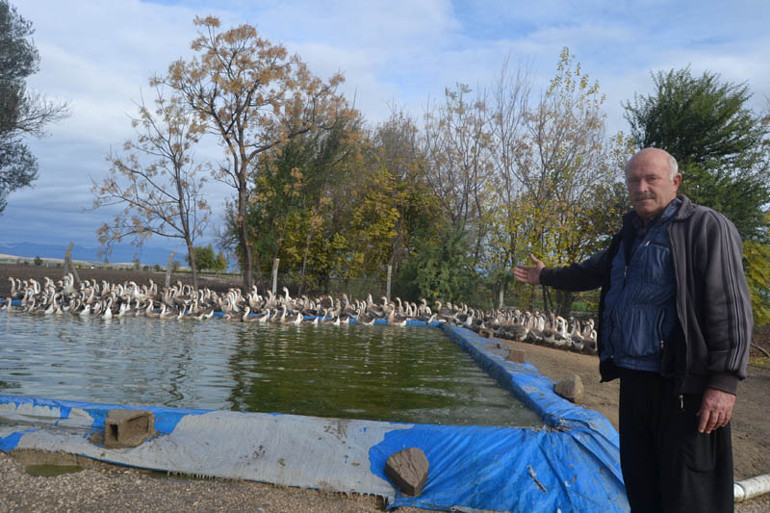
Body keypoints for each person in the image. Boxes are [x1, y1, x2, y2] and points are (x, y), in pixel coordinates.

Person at [513, 147, 752, 512]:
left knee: (690, 494)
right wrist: (544, 275)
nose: (641, 187)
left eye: (651, 178)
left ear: (675, 182)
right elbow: (590, 272)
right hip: (635, 381)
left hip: (684, 387)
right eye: (633, 180)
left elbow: (730, 306)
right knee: (643, 486)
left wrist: (724, 383)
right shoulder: (628, 236)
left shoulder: (705, 227)